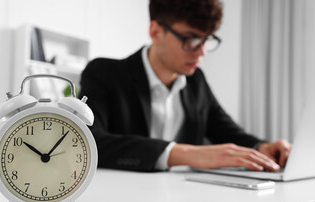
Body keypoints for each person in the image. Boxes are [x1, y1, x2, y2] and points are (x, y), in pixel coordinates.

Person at [79, 0, 292, 172]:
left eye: (207, 39)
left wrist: (262, 147)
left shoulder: (196, 81)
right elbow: (88, 141)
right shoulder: (104, 73)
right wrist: (188, 154)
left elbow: (228, 132)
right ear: (155, 32)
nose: (202, 52)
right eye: (191, 39)